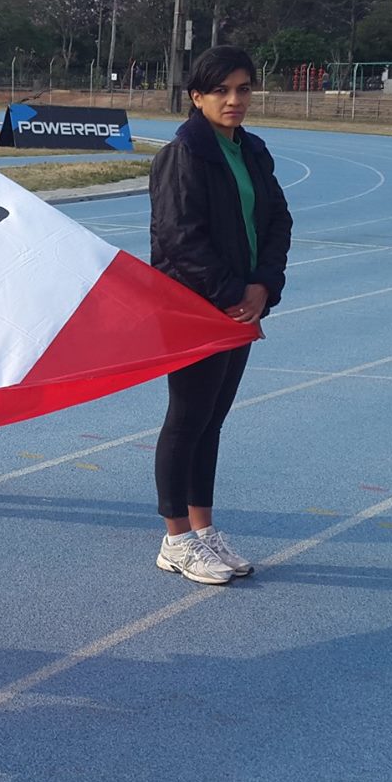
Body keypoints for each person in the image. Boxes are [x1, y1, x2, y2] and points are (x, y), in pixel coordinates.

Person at [148, 45, 293, 584]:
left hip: (240, 307)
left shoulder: (252, 150)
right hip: (193, 309)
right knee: (186, 420)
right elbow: (178, 239)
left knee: (213, 421)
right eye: (221, 91)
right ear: (197, 97)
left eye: (243, 89)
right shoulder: (181, 155)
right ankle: (175, 539)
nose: (234, 100)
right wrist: (234, 292)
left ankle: (203, 528)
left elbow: (278, 221)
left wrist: (262, 286)